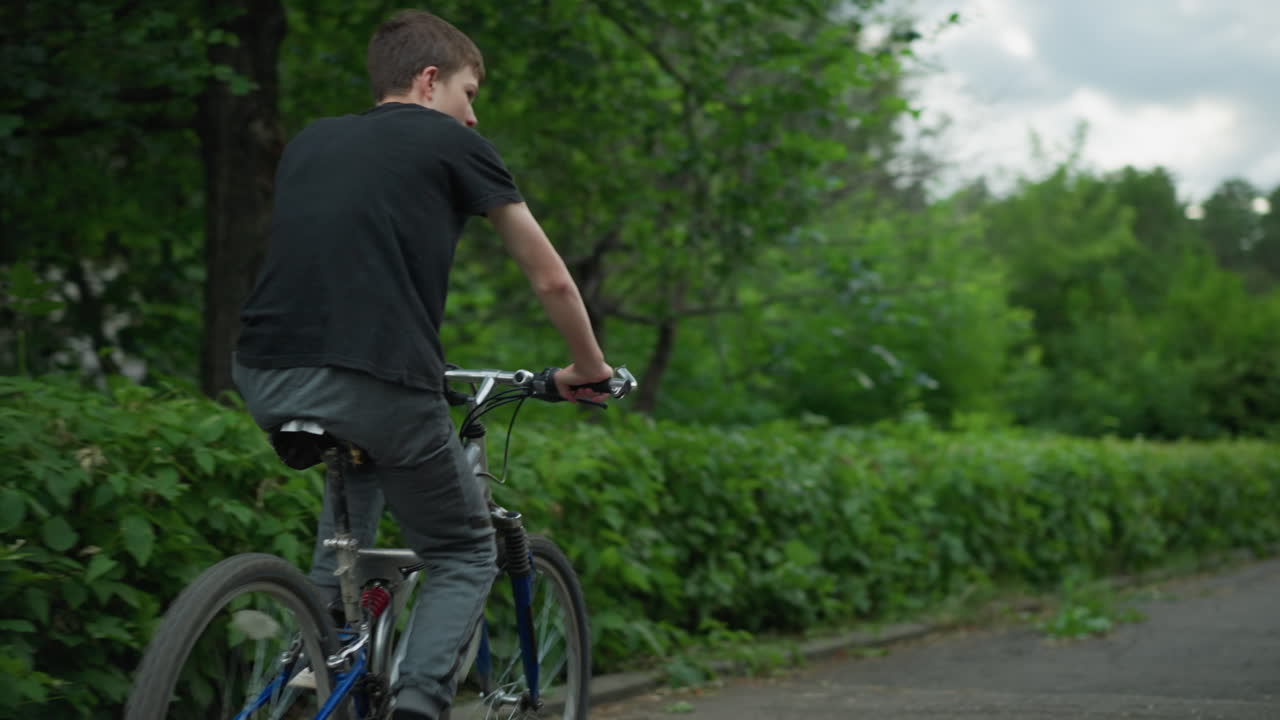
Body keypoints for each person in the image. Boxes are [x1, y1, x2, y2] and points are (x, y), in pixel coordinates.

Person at [232, 9, 612, 720]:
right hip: (378, 379)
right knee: (465, 551)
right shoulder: (452, 143)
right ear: (431, 80)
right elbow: (552, 280)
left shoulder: (311, 141)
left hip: (263, 370)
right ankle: (417, 707)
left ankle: (312, 673)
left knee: (350, 527)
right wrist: (587, 368)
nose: (472, 117)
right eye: (471, 93)